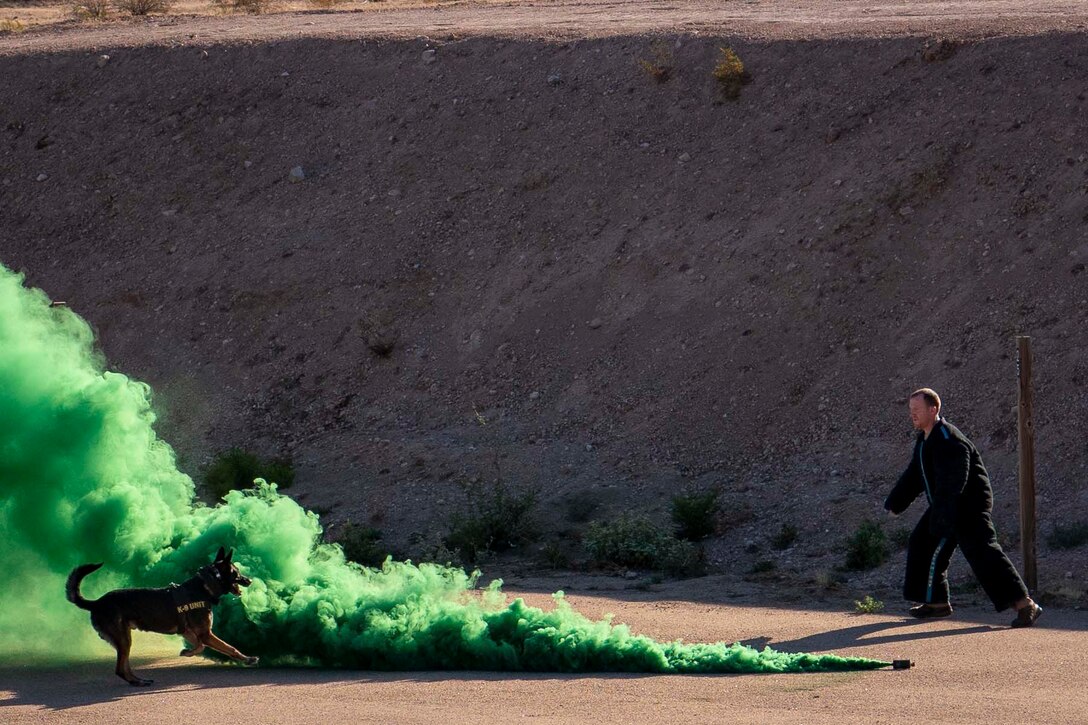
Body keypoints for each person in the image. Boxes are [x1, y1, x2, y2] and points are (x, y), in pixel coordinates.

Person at [884, 388, 1042, 627]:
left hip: (969, 506)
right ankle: (936, 602)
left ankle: (1025, 605)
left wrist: (942, 516)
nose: (912, 415)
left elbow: (953, 481)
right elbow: (915, 475)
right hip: (946, 505)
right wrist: (896, 503)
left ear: (933, 409)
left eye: (917, 410)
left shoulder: (949, 439)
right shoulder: (925, 440)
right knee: (921, 542)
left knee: (984, 553)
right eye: (910, 410)